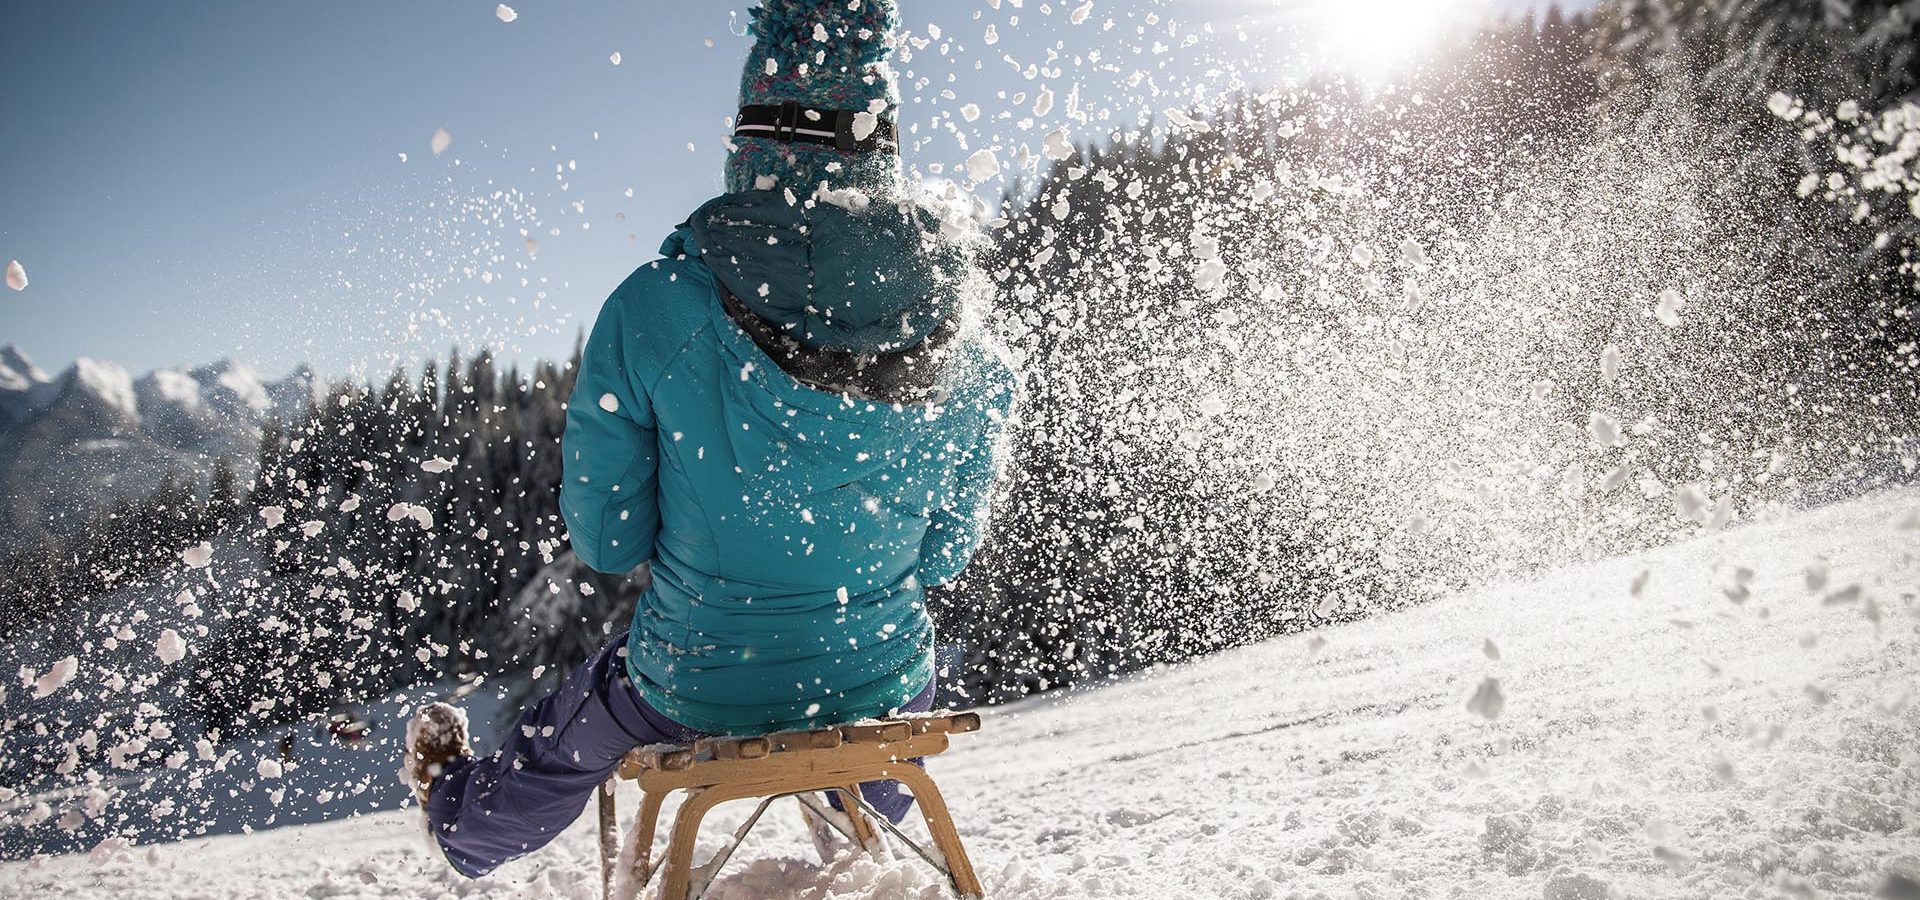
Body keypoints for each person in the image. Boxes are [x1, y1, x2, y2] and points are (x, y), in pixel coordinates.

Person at [399, 0, 1015, 879]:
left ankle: (462, 828)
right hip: (879, 682)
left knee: (567, 736)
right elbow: (948, 554)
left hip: (697, 680)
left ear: (748, 142)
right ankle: (872, 837)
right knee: (875, 706)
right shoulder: (974, 351)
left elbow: (608, 541)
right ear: (885, 147)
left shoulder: (657, 305)